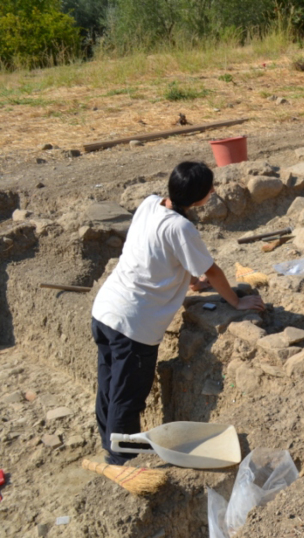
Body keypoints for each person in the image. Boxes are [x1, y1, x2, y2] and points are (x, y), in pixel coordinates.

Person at [91, 161, 264, 465]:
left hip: (106, 311)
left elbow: (157, 253)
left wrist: (190, 280)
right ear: (198, 197)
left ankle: (109, 445)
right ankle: (122, 462)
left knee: (108, 386)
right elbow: (212, 270)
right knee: (127, 399)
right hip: (133, 325)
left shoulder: (149, 204)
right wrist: (236, 303)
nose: (213, 191)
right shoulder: (181, 227)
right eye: (209, 188)